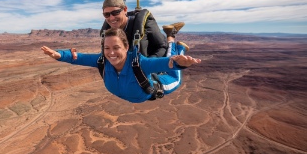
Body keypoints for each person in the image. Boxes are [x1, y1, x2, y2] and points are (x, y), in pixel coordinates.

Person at [41, 28, 201, 103]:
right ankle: (172, 37)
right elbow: (78, 58)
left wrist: (181, 62)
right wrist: (59, 55)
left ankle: (173, 40)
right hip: (136, 88)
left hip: (156, 89)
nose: (111, 53)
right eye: (107, 48)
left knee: (175, 80)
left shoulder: (139, 63)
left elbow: (167, 63)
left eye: (116, 47)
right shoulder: (102, 61)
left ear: (126, 47)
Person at [100, 0, 185, 58]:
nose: (111, 18)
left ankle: (170, 34)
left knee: (173, 68)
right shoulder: (107, 32)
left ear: (125, 9)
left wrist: (149, 63)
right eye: (106, 14)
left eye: (115, 12)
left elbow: (162, 46)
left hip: (147, 61)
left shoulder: (143, 24)